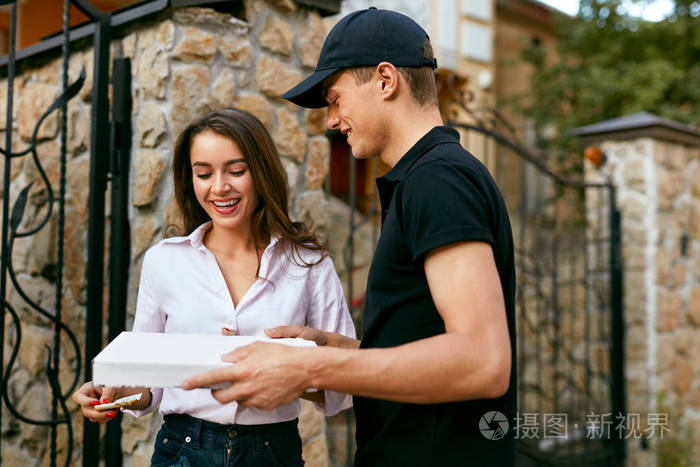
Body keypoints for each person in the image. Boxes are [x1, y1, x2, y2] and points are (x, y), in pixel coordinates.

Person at [182, 8, 517, 466]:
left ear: (385, 80)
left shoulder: (437, 181)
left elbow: (483, 361)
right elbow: (430, 344)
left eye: (336, 98)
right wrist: (342, 352)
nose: (331, 121)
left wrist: (308, 366)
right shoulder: (428, 178)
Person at [72, 108, 356, 466]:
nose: (219, 187)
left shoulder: (309, 263)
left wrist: (288, 375)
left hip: (272, 451)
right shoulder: (164, 261)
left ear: (262, 172)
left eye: (236, 171)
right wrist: (111, 392)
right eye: (203, 173)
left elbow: (343, 385)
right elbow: (147, 385)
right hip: (182, 449)